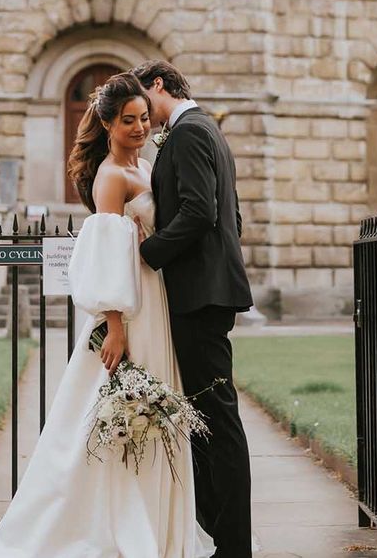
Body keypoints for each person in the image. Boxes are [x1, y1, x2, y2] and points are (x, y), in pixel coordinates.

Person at [0, 72, 216, 557]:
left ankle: (158, 522)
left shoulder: (146, 168)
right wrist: (116, 326)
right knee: (117, 416)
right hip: (130, 310)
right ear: (107, 123)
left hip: (156, 300)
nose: (139, 127)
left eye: (144, 118)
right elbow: (109, 256)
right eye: (128, 120)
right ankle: (110, 528)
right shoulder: (111, 177)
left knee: (151, 417)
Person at [131, 60, 254, 558]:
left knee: (217, 418)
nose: (143, 117)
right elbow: (234, 215)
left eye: (144, 102)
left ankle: (233, 544)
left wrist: (147, 253)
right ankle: (217, 531)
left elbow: (202, 212)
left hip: (201, 296)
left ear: (158, 84)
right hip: (208, 289)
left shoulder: (188, 133)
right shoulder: (206, 130)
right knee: (208, 415)